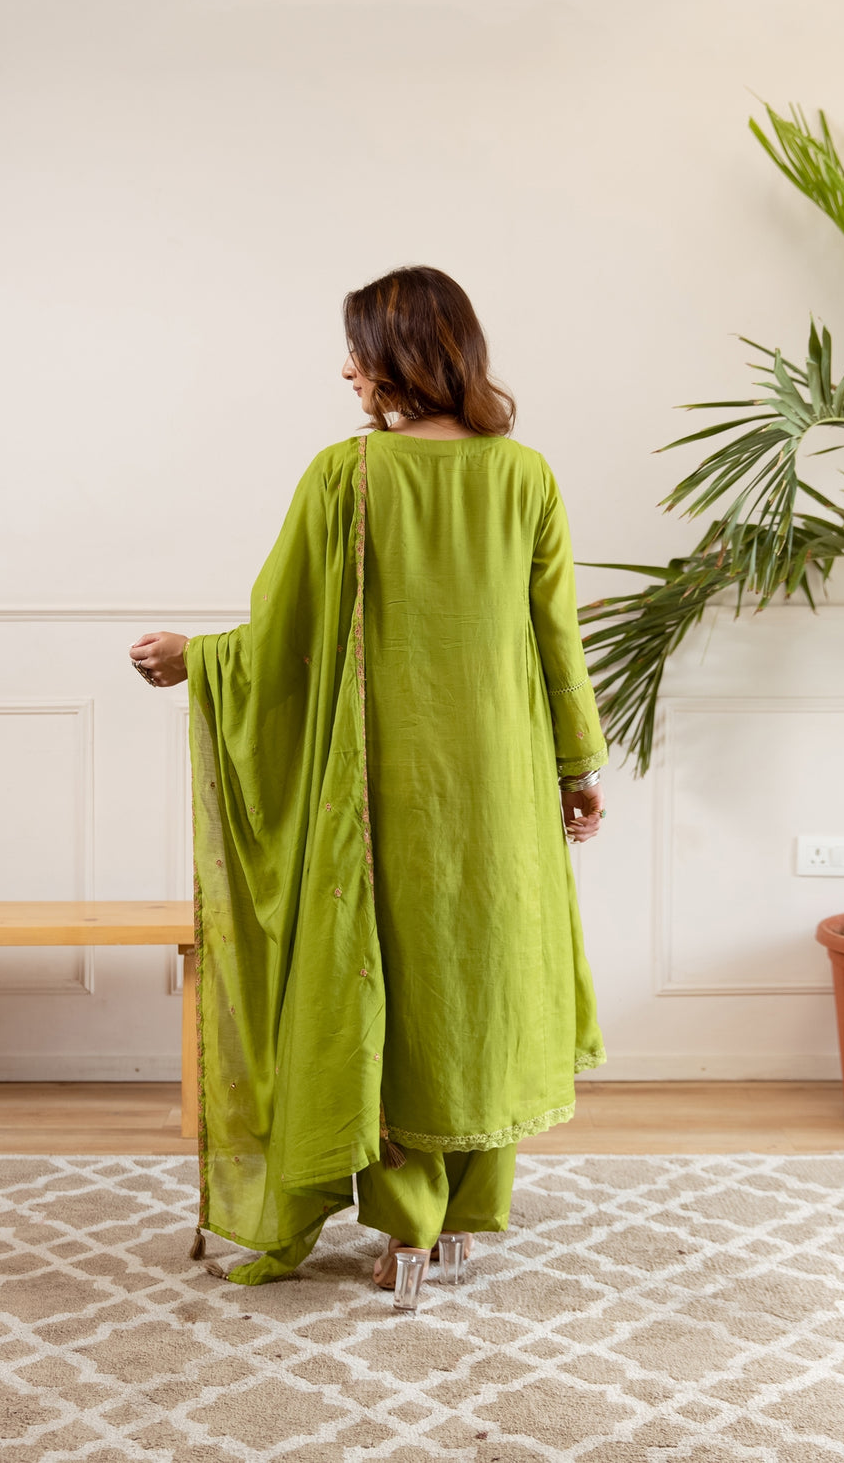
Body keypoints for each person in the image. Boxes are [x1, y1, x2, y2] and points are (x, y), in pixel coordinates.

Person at [130, 265, 607, 1301]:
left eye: (358, 349)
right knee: (480, 983)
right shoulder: (526, 476)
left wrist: (196, 659)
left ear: (401, 355)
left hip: (385, 792)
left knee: (396, 986)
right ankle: (462, 1220)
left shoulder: (344, 477)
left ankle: (406, 1223)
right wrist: (577, 767)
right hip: (503, 785)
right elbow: (556, 640)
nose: (345, 369)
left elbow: (284, 635)